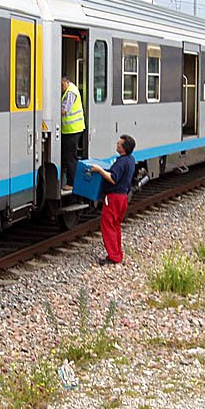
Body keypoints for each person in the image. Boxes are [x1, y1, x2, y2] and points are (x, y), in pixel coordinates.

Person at [91, 135, 136, 266]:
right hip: (122, 198)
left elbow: (113, 178)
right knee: (116, 226)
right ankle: (117, 253)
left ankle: (113, 256)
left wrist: (99, 170)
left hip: (113, 198)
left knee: (108, 226)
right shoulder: (131, 160)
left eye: (119, 143)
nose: (117, 144)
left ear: (123, 148)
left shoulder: (121, 162)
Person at [61, 76, 85, 189]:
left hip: (73, 130)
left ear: (67, 82)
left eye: (62, 85)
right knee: (68, 156)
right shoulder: (69, 90)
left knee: (70, 157)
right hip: (69, 130)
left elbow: (64, 111)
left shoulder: (71, 92)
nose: (61, 88)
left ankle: (72, 183)